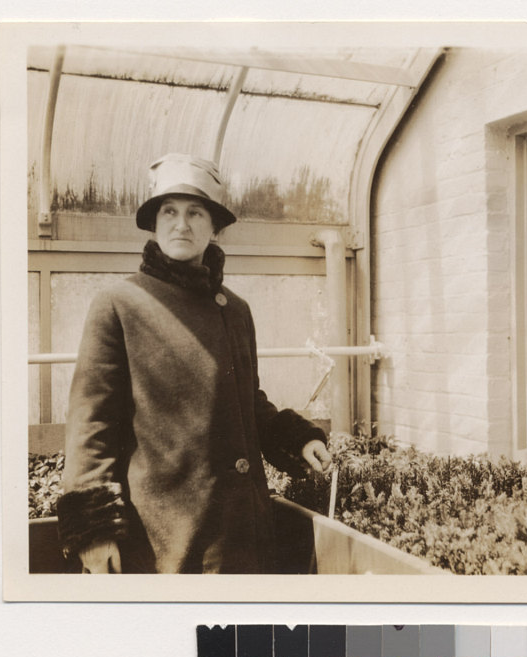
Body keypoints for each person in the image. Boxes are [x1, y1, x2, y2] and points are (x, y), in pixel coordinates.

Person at [57, 153, 332, 573]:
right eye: (169, 211)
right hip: (163, 542)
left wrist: (296, 438)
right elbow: (91, 423)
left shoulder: (235, 310)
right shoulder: (120, 304)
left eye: (195, 212)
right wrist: (94, 531)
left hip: (243, 531)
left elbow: (247, 402)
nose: (180, 223)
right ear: (154, 222)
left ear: (214, 227)